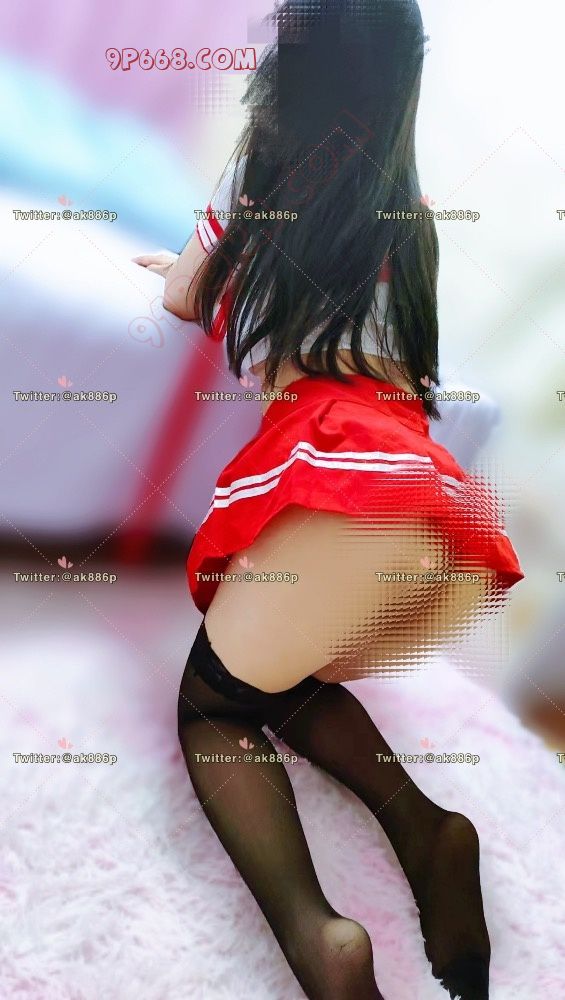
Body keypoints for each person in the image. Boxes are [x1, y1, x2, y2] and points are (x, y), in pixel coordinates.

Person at [135, 2, 523, 996]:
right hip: (428, 504)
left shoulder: (265, 170)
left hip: (339, 470)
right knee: (273, 665)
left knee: (211, 709)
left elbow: (184, 297)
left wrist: (187, 268)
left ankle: (325, 940)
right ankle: (428, 833)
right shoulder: (411, 217)